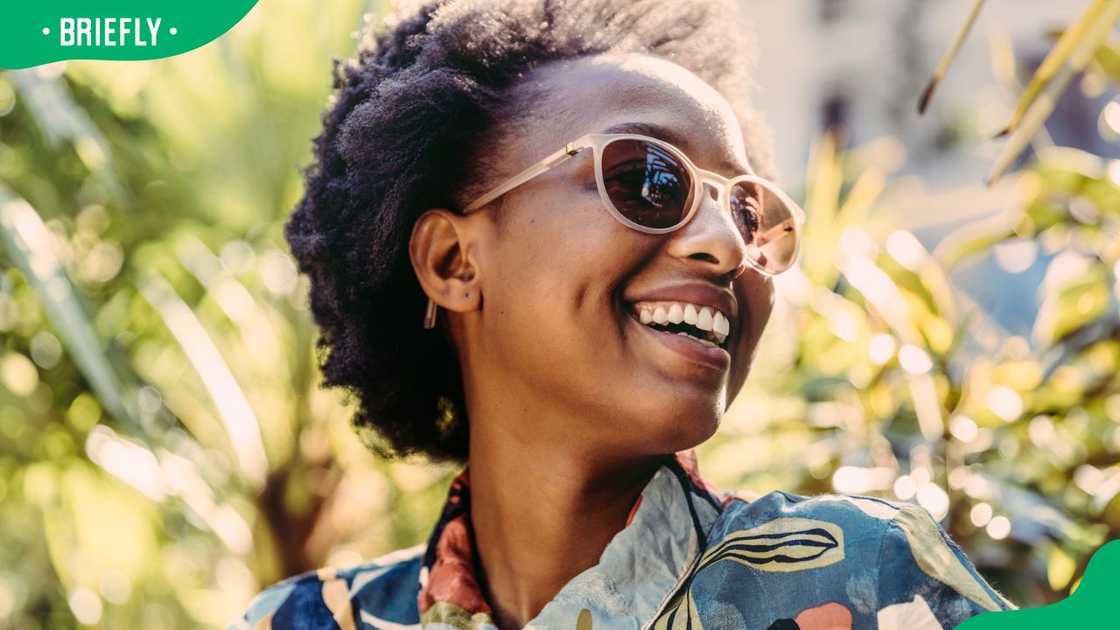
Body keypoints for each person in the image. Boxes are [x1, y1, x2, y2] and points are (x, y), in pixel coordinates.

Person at [234, 0, 1014, 627]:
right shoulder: (304, 621)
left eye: (749, 213)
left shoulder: (863, 580)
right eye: (648, 179)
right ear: (454, 263)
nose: (727, 247)